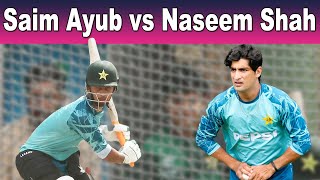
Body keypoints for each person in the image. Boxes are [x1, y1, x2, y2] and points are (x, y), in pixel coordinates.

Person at [196, 44, 312, 180]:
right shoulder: (220, 104)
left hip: (279, 174)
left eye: (243, 70)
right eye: (233, 70)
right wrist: (235, 164)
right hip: (241, 176)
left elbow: (303, 141)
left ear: (258, 72)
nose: (236, 76)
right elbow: (203, 138)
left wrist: (271, 167)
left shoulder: (281, 102)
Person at [15, 60, 142, 180]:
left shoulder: (92, 109)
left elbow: (86, 130)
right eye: (98, 88)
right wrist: (124, 158)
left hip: (65, 156)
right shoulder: (81, 114)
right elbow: (105, 153)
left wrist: (106, 133)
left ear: (114, 89)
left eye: (107, 89)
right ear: (88, 87)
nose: (102, 94)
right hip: (34, 156)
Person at [143, 65, 226, 179]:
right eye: (177, 101)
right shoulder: (155, 145)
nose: (185, 109)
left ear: (205, 101)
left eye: (192, 101)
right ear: (165, 105)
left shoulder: (221, 139)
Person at [0, 62, 68, 180]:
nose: (41, 105)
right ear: (27, 98)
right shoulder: (7, 137)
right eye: (36, 96)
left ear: (60, 99)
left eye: (48, 97)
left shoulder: (80, 139)